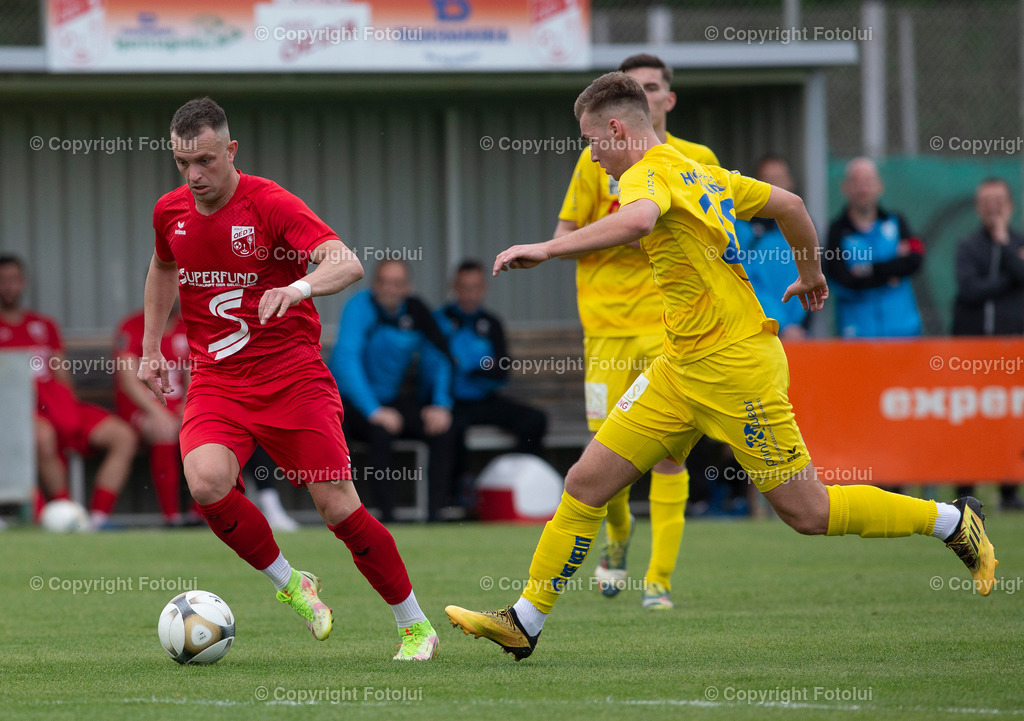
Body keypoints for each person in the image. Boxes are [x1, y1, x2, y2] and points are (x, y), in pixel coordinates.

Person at [444, 72, 998, 661]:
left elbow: (637, 221)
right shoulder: (699, 170)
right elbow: (790, 204)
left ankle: (952, 520)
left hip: (737, 369)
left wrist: (549, 248)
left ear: (615, 128)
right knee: (585, 482)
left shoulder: (645, 174)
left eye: (590, 140)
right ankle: (524, 621)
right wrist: (811, 274)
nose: (591, 155)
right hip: (679, 367)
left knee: (807, 513)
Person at [139, 97, 437, 660]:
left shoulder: (270, 203)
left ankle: (414, 625)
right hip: (219, 382)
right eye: (182, 163)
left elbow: (345, 262)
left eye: (205, 160)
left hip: (290, 377)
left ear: (231, 150)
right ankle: (291, 584)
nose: (194, 175)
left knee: (338, 509)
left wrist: (298, 287)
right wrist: (152, 345)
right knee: (204, 483)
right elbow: (162, 267)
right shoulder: (169, 212)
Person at [553, 53, 719, 609]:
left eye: (653, 87)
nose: (645, 95)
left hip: (670, 329)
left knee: (670, 453)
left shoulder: (697, 161)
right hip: (604, 329)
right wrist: (616, 231)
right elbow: (566, 229)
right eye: (635, 87)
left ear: (667, 99)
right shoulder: (595, 159)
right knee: (607, 453)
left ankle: (660, 583)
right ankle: (619, 538)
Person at [0, 254, 137, 529]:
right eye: (3, 281)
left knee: (124, 436)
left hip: (58, 407)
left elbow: (61, 374)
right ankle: (65, 516)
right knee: (41, 437)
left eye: (14, 280)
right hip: (16, 414)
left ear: (23, 283)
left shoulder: (44, 325)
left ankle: (97, 518)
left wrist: (66, 408)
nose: (9, 287)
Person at [330, 260, 457, 523]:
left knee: (443, 429)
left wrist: (441, 404)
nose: (390, 289)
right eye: (384, 282)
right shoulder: (359, 306)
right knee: (380, 432)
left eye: (397, 283)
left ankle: (437, 517)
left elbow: (441, 356)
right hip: (349, 401)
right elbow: (346, 361)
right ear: (374, 285)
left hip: (389, 401)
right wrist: (374, 411)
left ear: (407, 288)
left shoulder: (417, 310)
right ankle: (386, 518)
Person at [436, 259, 548, 497]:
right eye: (464, 287)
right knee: (451, 427)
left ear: (484, 288)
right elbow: (438, 366)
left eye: (475, 287)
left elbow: (501, 370)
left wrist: (469, 367)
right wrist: (481, 367)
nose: (469, 294)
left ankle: (514, 480)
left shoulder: (492, 323)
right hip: (452, 402)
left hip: (486, 400)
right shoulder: (441, 320)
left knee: (535, 420)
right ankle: (460, 490)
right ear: (454, 288)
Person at [951, 177, 1024, 510]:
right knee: (968, 419)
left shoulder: (1017, 243)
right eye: (986, 201)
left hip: (1012, 350)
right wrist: (1009, 278)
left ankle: (1009, 492)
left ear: (1009, 205)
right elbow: (970, 290)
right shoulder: (967, 246)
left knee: (1010, 420)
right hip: (972, 351)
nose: (993, 207)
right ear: (978, 207)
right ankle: (965, 489)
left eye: (999, 200)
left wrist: (1005, 244)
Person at [825, 157, 925, 338]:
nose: (863, 189)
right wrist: (892, 270)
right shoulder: (837, 231)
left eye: (868, 182)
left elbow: (915, 258)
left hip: (904, 332)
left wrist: (868, 270)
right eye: (856, 182)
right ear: (845, 187)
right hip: (858, 334)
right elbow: (843, 279)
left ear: (879, 185)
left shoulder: (897, 222)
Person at [735, 155, 809, 341]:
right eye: (767, 180)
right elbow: (743, 281)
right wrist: (782, 325)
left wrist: (798, 325)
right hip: (756, 331)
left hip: (799, 333)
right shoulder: (741, 229)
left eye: (779, 179)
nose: (774, 186)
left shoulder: (803, 225)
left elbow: (812, 276)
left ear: (790, 182)